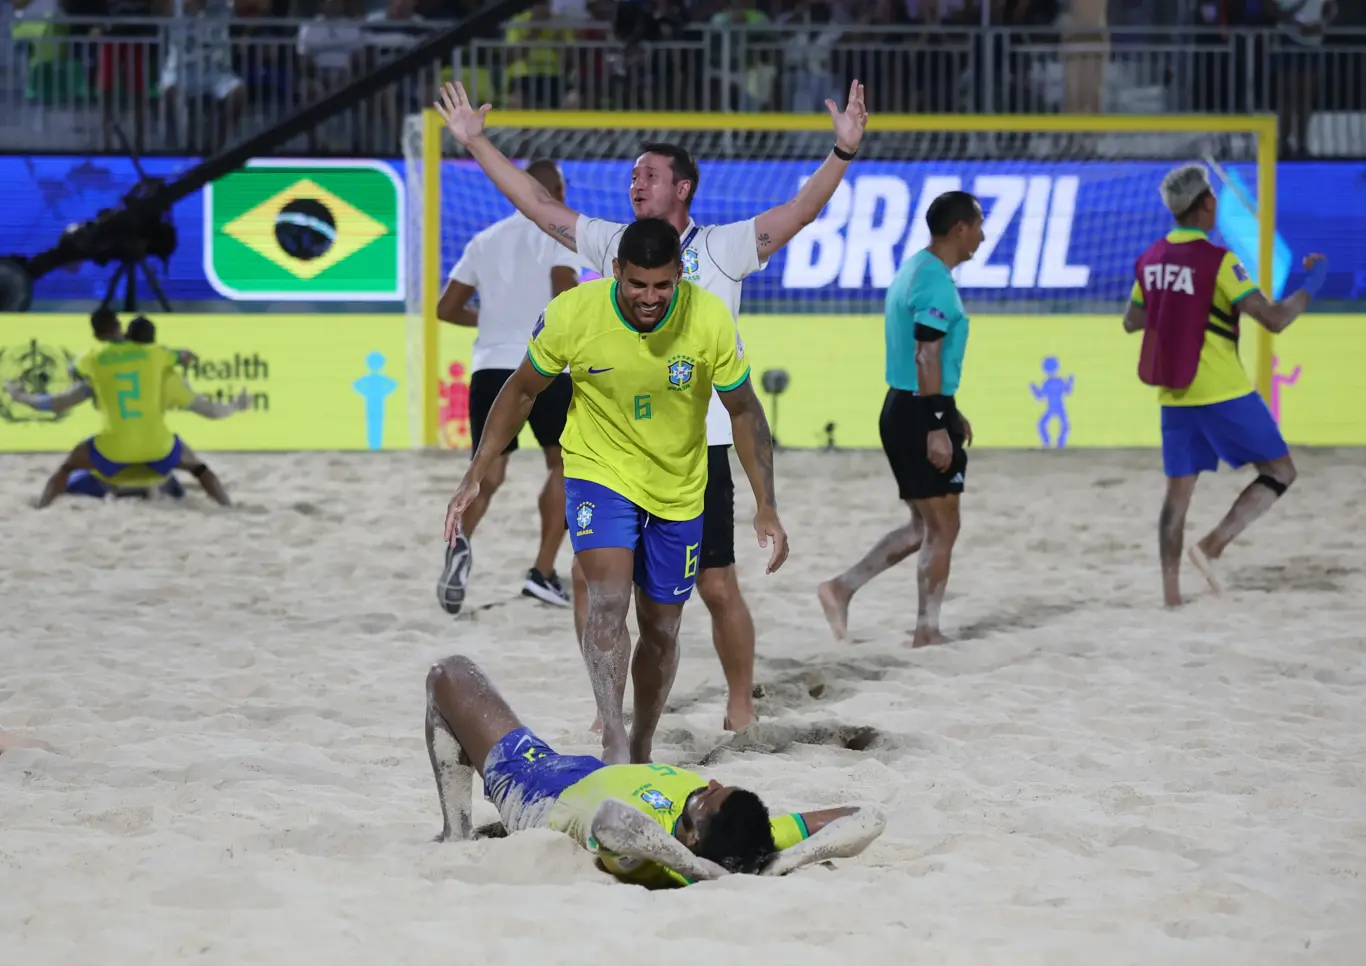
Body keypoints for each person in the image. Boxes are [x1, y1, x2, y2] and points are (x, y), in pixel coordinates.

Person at [434, 76, 868, 730]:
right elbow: (533, 203)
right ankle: (607, 706)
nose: (634, 183)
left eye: (648, 174)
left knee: (717, 587)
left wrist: (842, 153)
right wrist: (476, 143)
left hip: (701, 446)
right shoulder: (614, 244)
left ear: (682, 187)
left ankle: (741, 704)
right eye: (632, 175)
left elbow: (799, 212)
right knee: (593, 584)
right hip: (614, 451)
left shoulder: (720, 248)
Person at [443, 219, 788, 765]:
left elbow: (743, 408)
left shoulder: (709, 319)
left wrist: (765, 502)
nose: (650, 298)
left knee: (662, 628)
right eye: (637, 285)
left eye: (662, 286)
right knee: (607, 600)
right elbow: (522, 390)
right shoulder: (574, 314)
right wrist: (477, 470)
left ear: (679, 275)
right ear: (617, 273)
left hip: (678, 485)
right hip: (598, 472)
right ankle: (613, 735)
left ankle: (643, 740)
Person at [424, 652, 886, 887]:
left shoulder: (649, 861)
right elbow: (868, 816)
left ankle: (457, 834)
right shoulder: (752, 843)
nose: (712, 784)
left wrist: (696, 871)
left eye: (705, 800)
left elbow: (612, 821)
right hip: (580, 771)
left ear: (691, 838)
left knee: (449, 674)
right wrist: (788, 859)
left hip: (539, 788)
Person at [1121, 164, 1328, 606]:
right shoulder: (1219, 261)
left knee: (1177, 495)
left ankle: (1171, 595)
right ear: (1207, 204)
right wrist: (1314, 282)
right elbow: (1274, 319)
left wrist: (1173, 306)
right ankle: (1211, 547)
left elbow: (1131, 322)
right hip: (1223, 391)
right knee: (1280, 472)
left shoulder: (1150, 259)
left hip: (1173, 394)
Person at [818, 191, 983, 648]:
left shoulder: (915, 268)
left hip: (909, 404)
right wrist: (937, 424)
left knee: (922, 526)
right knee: (943, 526)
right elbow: (925, 353)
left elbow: (927, 361)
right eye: (979, 226)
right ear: (960, 229)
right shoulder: (932, 280)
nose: (983, 237)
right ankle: (927, 629)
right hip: (917, 411)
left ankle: (841, 588)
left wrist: (950, 410)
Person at [435, 158, 582, 615]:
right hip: (543, 365)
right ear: (553, 190)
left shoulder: (486, 240)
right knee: (564, 465)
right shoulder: (561, 234)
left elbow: (446, 308)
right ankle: (541, 572)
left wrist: (495, 321)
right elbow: (564, 290)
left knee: (488, 472)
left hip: (490, 367)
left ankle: (458, 546)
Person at [9, 316, 241, 508]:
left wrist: (20, 395)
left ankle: (42, 506)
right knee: (198, 467)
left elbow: (57, 402)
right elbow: (209, 409)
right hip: (157, 449)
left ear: (126, 336)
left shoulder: (98, 364)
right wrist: (235, 405)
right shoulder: (163, 364)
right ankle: (227, 506)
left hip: (114, 452)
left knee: (68, 467)